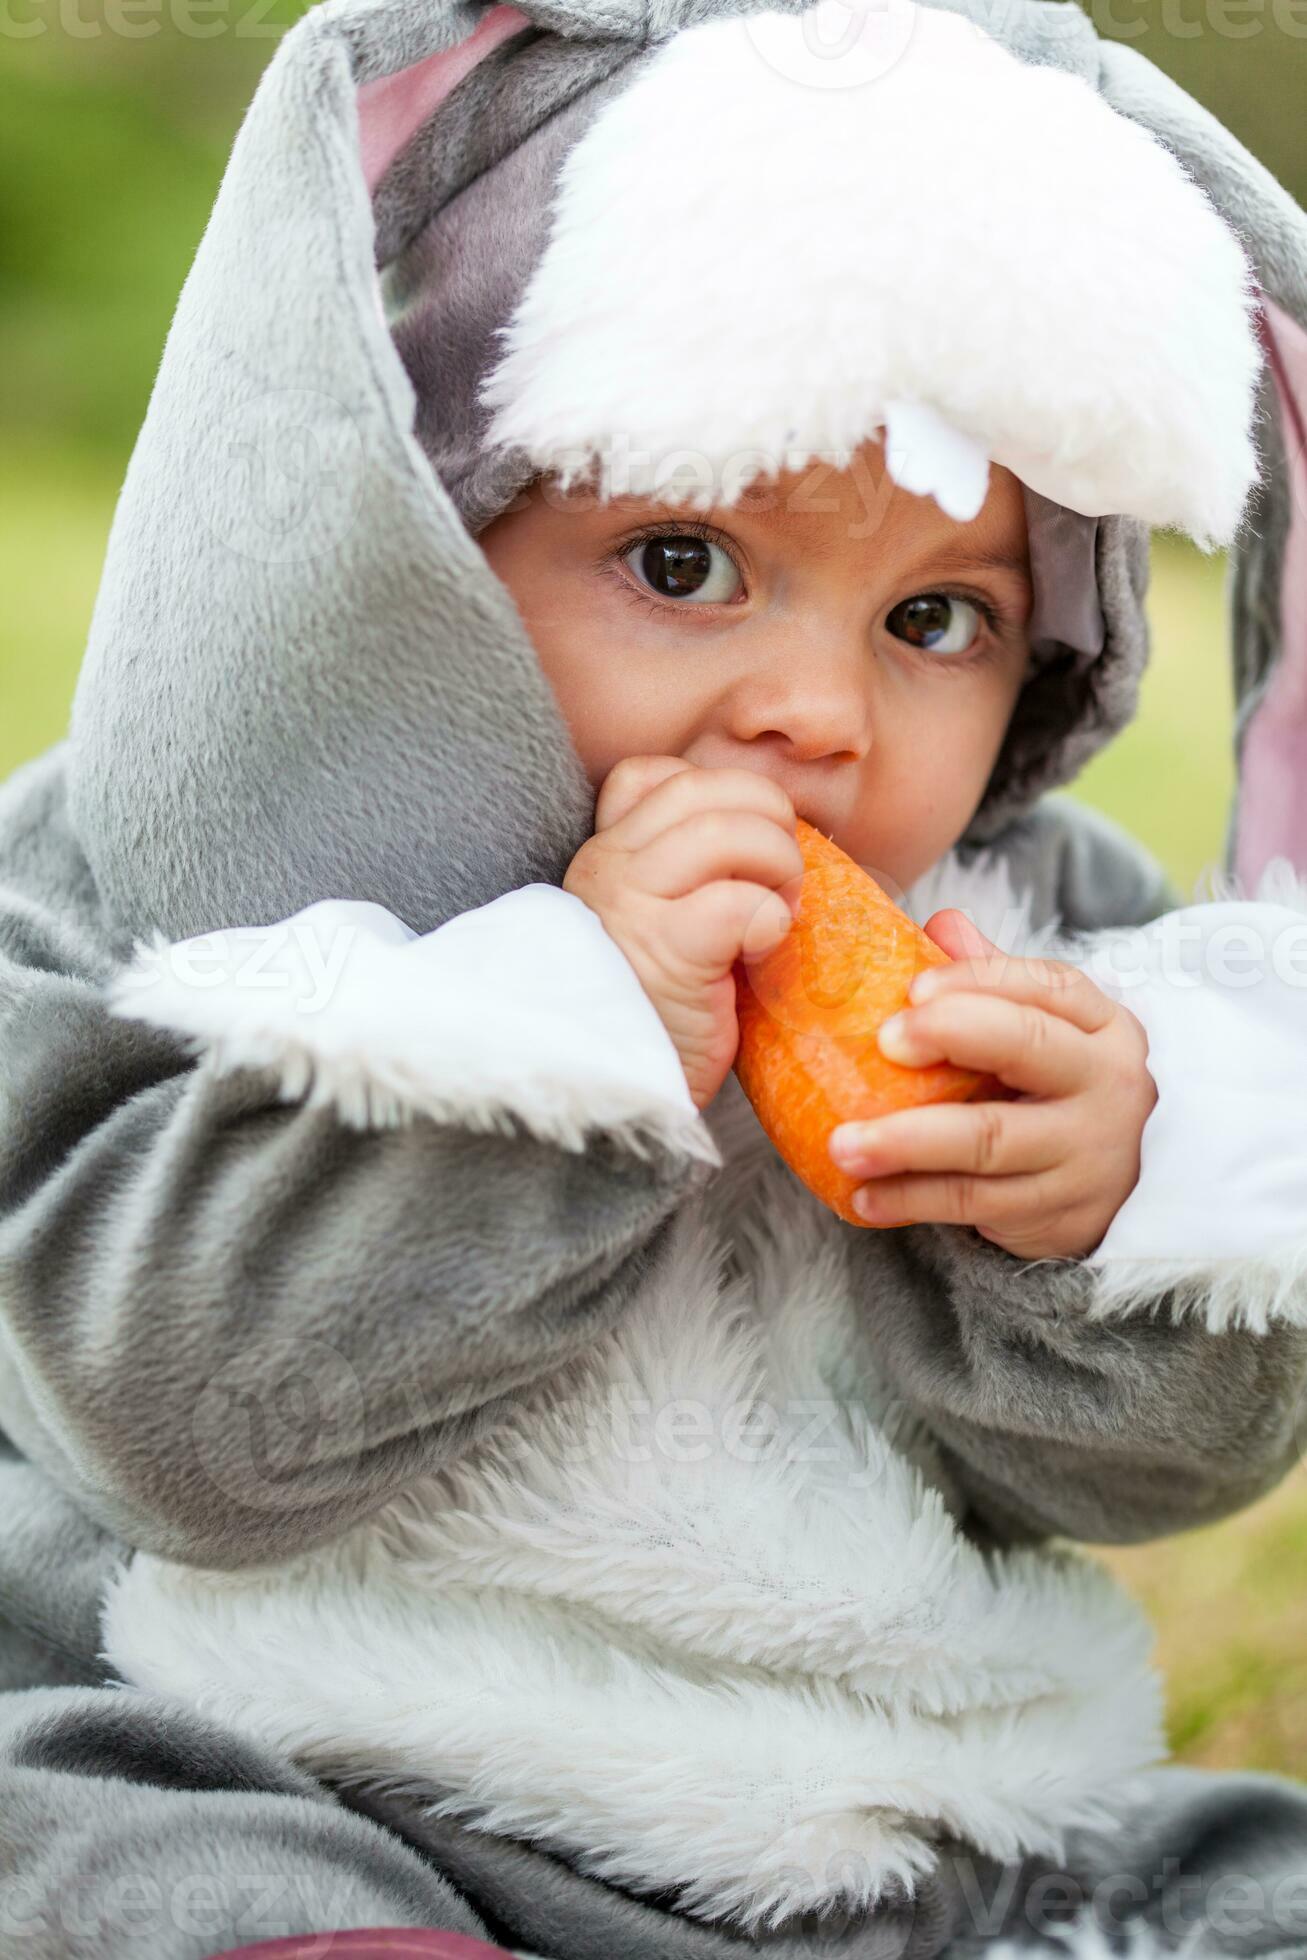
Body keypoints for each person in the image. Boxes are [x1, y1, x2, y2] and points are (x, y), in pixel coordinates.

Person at [2, 0, 1307, 1955]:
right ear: (416, 527)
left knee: (1237, 1866)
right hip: (306, 1754)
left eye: (937, 617)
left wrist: (1103, 1213)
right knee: (73, 1831)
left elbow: (1137, 1477)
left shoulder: (1030, 937)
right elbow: (176, 1426)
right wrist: (572, 1031)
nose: (817, 713)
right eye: (682, 560)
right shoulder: (174, 881)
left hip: (882, 1819)